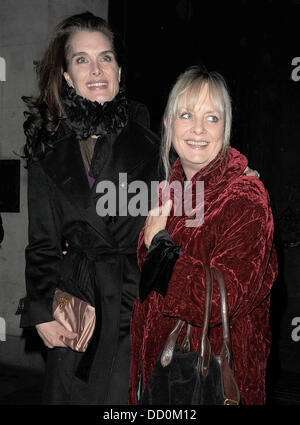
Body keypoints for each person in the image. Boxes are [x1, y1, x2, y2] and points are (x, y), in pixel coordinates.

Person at [18, 12, 161, 405]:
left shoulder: (155, 141)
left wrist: (237, 175)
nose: (97, 69)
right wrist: (42, 310)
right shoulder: (47, 151)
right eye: (82, 59)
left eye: (106, 58)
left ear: (119, 68)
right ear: (66, 75)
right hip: (79, 305)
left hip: (138, 302)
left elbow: (199, 179)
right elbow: (42, 243)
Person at [127, 66, 278, 405]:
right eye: (186, 114)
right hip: (158, 375)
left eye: (212, 118)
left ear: (225, 129)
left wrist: (160, 245)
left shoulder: (245, 197)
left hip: (207, 381)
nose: (197, 128)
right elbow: (148, 277)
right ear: (168, 123)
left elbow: (219, 298)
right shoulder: (171, 190)